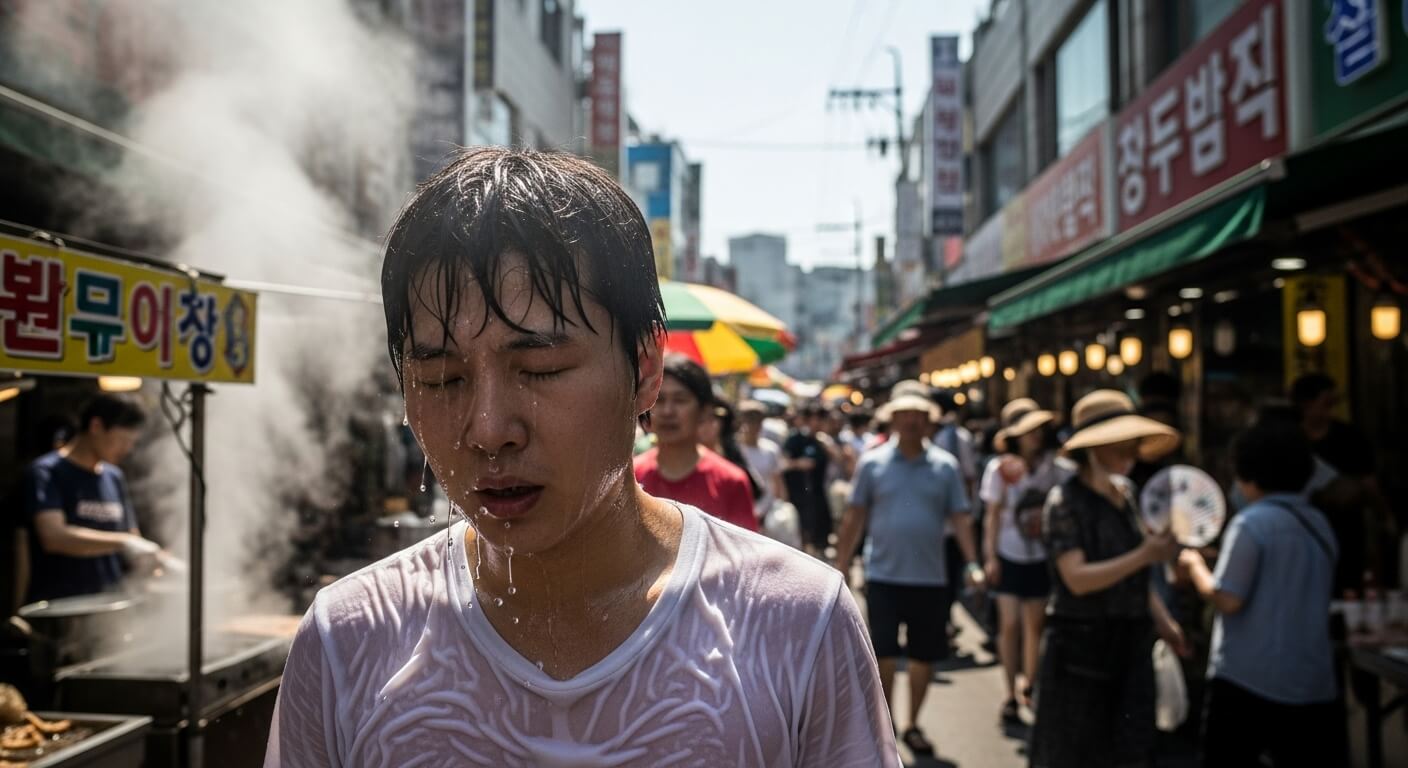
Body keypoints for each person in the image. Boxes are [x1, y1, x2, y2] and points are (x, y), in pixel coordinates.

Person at [267, 148, 896, 767]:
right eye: (441, 380)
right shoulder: (348, 640)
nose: (489, 430)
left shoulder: (797, 625)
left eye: (540, 369)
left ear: (644, 369)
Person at [1029, 389, 1188, 768]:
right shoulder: (1064, 501)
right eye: (1120, 445)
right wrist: (1144, 555)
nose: (1130, 454)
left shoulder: (1129, 493)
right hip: (1080, 646)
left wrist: (1164, 621)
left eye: (1133, 445)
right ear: (1094, 448)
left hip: (1131, 641)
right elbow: (1077, 579)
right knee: (1077, 751)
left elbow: (1139, 577)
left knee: (1130, 748)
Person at [1178, 419, 1339, 768]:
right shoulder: (1319, 523)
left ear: (1249, 475)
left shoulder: (1252, 523)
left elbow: (1228, 597)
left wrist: (1194, 567)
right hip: (1312, 682)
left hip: (1248, 682)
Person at [833, 386, 981, 759]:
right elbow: (855, 515)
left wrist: (974, 562)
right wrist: (842, 563)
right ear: (893, 419)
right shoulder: (873, 462)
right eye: (904, 414)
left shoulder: (945, 466)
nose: (912, 421)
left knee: (923, 657)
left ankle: (912, 722)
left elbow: (960, 517)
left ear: (928, 420)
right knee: (882, 655)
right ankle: (887, 724)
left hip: (930, 577)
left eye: (919, 414)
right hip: (883, 574)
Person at [21, 393, 164, 603]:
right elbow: (53, 536)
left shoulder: (114, 477)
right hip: (59, 608)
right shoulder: (47, 472)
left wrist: (154, 561)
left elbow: (133, 540)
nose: (128, 449)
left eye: (132, 442)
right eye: (123, 439)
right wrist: (125, 542)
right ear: (96, 426)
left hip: (110, 607)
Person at [980, 398, 1066, 723]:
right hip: (1008, 552)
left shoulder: (1054, 466)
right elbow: (992, 515)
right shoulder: (999, 469)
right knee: (1010, 624)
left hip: (1041, 554)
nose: (1034, 437)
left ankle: (1029, 684)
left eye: (1038, 430)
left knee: (1035, 623)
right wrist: (989, 557)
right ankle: (1009, 692)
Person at [1291, 373, 1393, 588]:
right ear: (1305, 404)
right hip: (1300, 532)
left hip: (1346, 531)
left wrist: (1384, 516)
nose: (1330, 410)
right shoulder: (1290, 440)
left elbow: (1369, 483)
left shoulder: (1349, 437)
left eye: (1333, 404)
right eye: (1326, 403)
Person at [634, 356, 758, 532]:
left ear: (704, 411)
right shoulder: (631, 478)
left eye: (680, 400)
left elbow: (746, 555)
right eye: (659, 400)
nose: (668, 411)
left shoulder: (731, 481)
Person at [782, 403, 832, 557]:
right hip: (797, 493)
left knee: (819, 531)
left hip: (817, 494)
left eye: (820, 419)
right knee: (800, 531)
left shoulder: (822, 442)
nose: (817, 423)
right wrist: (798, 464)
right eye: (814, 419)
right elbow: (783, 463)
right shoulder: (794, 439)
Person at [737, 400, 787, 517]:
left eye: (756, 420)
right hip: (739, 513)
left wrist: (781, 507)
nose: (752, 425)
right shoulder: (733, 450)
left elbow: (778, 483)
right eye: (748, 420)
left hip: (766, 513)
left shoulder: (771, 449)